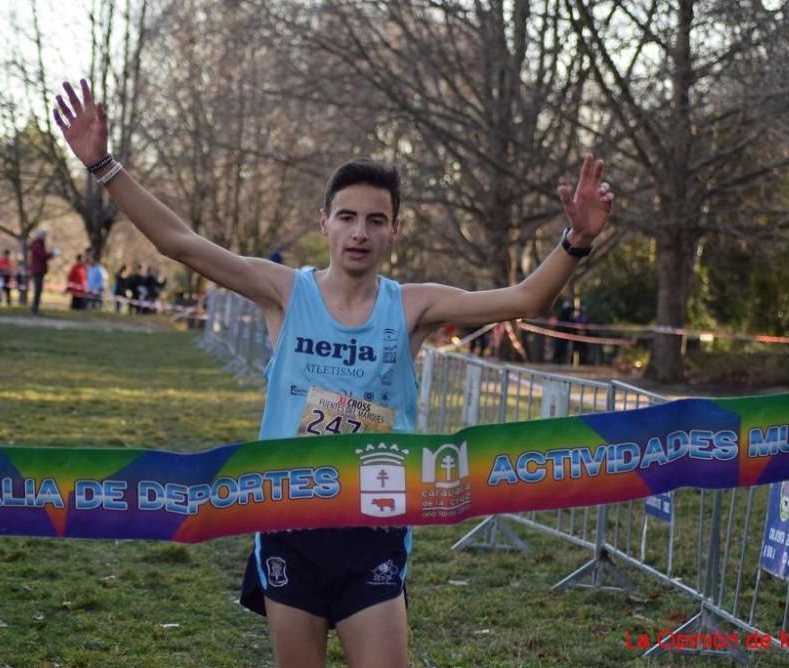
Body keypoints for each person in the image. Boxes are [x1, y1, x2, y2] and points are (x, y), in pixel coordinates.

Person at [54, 79, 613, 667]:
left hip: (373, 528)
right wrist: (104, 166)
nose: (359, 232)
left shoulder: (415, 305)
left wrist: (575, 240)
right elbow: (181, 244)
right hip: (289, 524)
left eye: (376, 220)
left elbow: (525, 298)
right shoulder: (283, 292)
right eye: (347, 216)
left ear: (394, 229)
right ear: (324, 222)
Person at [29, 230, 56, 315]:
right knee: (37, 290)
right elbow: (42, 256)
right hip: (38, 270)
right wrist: (52, 254)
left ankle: (35, 308)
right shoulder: (38, 245)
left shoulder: (39, 244)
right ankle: (34, 309)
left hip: (39, 270)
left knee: (38, 290)